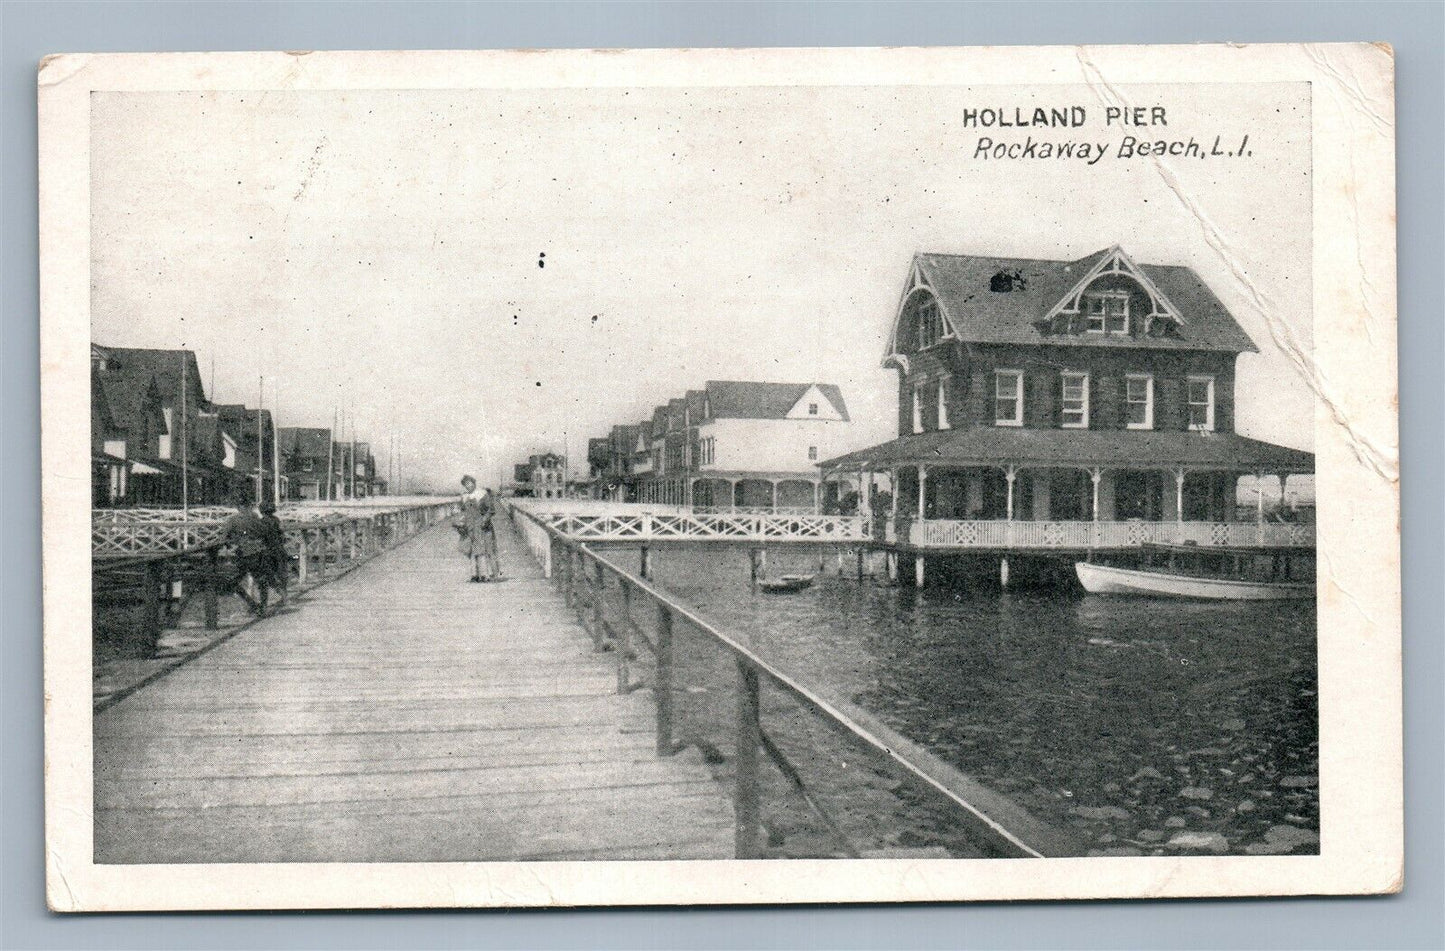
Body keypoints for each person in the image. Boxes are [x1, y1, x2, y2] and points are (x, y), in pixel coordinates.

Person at [222, 497, 270, 615]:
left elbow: (224, 537)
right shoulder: (255, 517)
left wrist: (230, 545)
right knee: (261, 580)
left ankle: (251, 603)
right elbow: (264, 532)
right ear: (249, 506)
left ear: (238, 507)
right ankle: (263, 607)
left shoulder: (233, 519)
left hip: (243, 553)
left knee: (233, 582)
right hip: (258, 551)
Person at [456, 476, 502, 583]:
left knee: (485, 549)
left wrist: (484, 520)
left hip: (482, 525)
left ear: (474, 483)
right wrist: (461, 522)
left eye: (470, 483)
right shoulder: (464, 497)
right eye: (466, 484)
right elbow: (463, 511)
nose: (468, 486)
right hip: (470, 527)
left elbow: (491, 510)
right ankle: (474, 574)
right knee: (471, 550)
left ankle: (486, 574)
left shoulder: (482, 494)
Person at [257, 499, 290, 609]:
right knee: (280, 574)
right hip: (279, 550)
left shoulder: (262, 522)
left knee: (267, 576)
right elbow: (281, 535)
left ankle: (264, 603)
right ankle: (284, 597)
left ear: (261, 511)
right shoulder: (276, 520)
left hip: (268, 551)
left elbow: (261, 536)